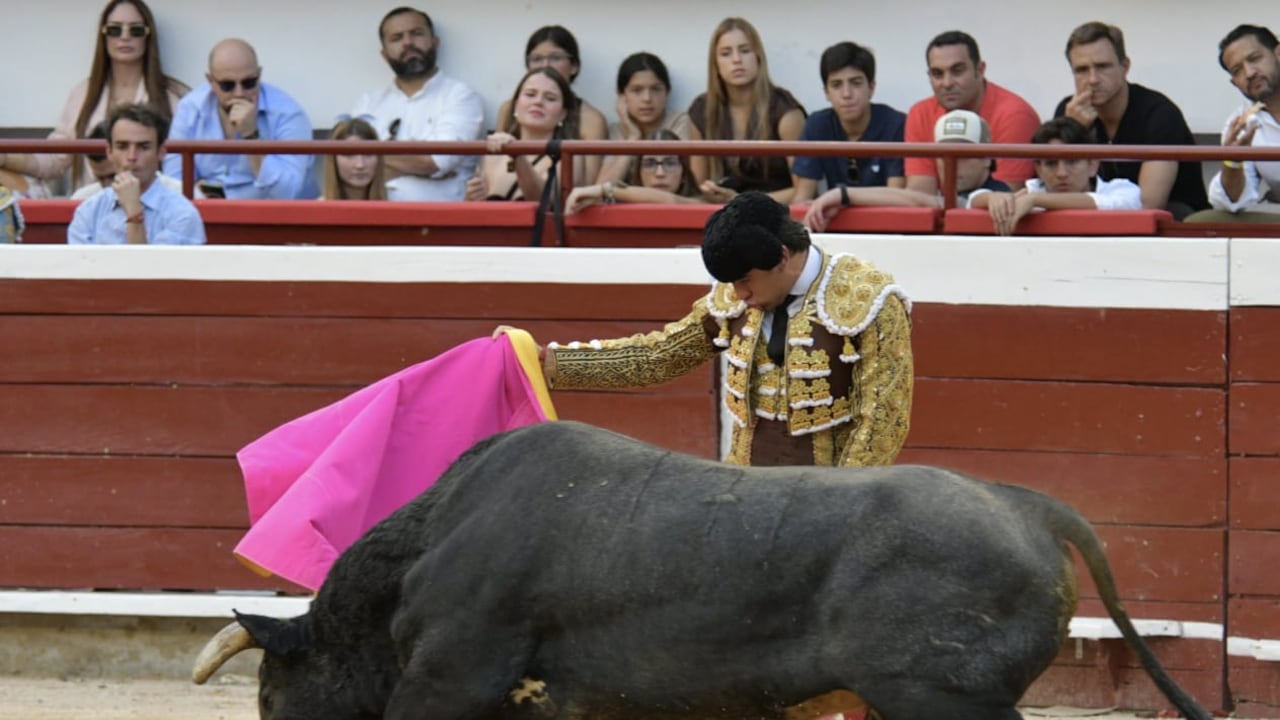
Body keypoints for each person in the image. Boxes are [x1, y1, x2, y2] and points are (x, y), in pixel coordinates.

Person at [523, 191, 912, 467]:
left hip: (828, 500)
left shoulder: (869, 298)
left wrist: (844, 510)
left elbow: (881, 422)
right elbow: (661, 356)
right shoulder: (734, 298)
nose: (739, 295)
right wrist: (551, 362)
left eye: (745, 281)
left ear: (780, 258)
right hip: (744, 490)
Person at [0, 0, 188, 197]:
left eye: (136, 30)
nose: (125, 37)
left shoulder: (172, 96)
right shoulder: (83, 93)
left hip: (153, 206)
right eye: (115, 30)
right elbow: (55, 159)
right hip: (92, 208)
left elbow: (182, 166)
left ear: (148, 37)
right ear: (103, 36)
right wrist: (5, 157)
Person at [1053, 21, 1207, 219]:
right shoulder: (1068, 112)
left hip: (1172, 224)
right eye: (1082, 70)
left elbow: (1148, 204)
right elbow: (1051, 187)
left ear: (1125, 67)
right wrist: (1073, 132)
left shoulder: (1159, 113)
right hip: (1091, 219)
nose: (1092, 79)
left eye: (1102, 67)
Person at [350, 6, 483, 201]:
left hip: (442, 221)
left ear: (435, 42)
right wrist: (412, 164)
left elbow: (435, 162)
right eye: (397, 38)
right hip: (376, 218)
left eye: (417, 34)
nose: (408, 43)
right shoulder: (368, 103)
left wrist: (376, 155)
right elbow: (352, 165)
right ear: (384, 54)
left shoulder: (459, 96)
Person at [803, 109, 1009, 232]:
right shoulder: (946, 196)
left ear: (987, 158)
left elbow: (920, 201)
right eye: (944, 156)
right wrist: (843, 196)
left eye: (963, 155)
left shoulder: (1001, 195)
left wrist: (844, 194)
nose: (952, 164)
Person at [163, 38, 317, 200]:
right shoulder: (191, 108)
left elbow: (286, 193)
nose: (239, 93)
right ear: (211, 82)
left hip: (273, 216)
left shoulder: (288, 113)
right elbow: (175, 183)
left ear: (259, 75)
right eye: (227, 85)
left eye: (249, 83)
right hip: (209, 214)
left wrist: (251, 137)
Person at [902, 31, 1039, 194]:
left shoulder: (1014, 115)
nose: (947, 83)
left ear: (980, 70)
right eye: (937, 74)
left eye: (957, 71)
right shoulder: (920, 113)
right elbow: (920, 195)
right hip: (947, 213)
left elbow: (1004, 202)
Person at [688, 17, 807, 203]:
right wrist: (710, 191)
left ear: (758, 56)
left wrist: (742, 202)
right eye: (726, 53)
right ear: (716, 64)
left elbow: (804, 191)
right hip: (721, 217)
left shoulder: (785, 111)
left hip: (775, 216)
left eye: (745, 51)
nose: (736, 60)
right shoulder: (702, 110)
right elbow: (695, 187)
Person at [972, 117, 1142, 235]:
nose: (1061, 173)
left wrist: (1036, 200)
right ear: (1038, 168)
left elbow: (1111, 204)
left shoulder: (1122, 189)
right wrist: (992, 198)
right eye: (1051, 163)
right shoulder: (1034, 190)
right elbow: (973, 200)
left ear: (1092, 165)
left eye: (1072, 162)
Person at [67, 103, 205, 245]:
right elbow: (78, 265)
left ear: (161, 153)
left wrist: (134, 212)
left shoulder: (183, 215)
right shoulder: (89, 210)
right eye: (122, 146)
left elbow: (145, 267)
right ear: (109, 152)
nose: (132, 156)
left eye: (143, 147)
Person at [791, 41, 906, 203]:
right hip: (831, 223)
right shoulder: (817, 124)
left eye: (856, 83)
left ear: (871, 88)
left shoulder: (896, 124)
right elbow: (802, 197)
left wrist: (842, 198)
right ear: (826, 92)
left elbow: (897, 199)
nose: (846, 94)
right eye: (836, 85)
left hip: (884, 225)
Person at [1189, 24, 1280, 222]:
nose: (1249, 73)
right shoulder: (1241, 123)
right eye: (1237, 70)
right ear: (1234, 82)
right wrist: (1232, 160)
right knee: (1204, 221)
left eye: (1255, 59)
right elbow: (1233, 201)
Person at [496, 25, 608, 182]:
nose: (545, 65)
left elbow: (588, 184)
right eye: (536, 59)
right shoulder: (509, 108)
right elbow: (496, 163)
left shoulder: (591, 119)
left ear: (574, 67)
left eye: (555, 58)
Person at [465, 67, 586, 202]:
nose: (538, 102)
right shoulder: (493, 155)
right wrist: (471, 197)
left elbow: (545, 202)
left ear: (563, 113)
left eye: (550, 98)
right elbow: (472, 213)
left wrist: (517, 156)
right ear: (516, 105)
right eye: (530, 94)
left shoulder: (570, 155)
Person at [596, 52, 693, 185]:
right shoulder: (615, 132)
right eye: (637, 90)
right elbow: (601, 189)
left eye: (655, 89)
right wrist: (633, 137)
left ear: (667, 92)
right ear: (622, 95)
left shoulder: (680, 122)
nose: (647, 98)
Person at [567, 129, 702, 211]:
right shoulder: (616, 204)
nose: (660, 173)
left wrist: (606, 190)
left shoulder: (703, 201)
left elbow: (673, 201)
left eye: (670, 163)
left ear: (684, 173)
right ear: (638, 172)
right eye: (650, 164)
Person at [320, 117, 389, 201]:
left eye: (368, 154)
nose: (360, 165)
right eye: (349, 155)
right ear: (333, 160)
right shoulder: (317, 210)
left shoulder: (399, 202)